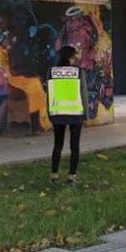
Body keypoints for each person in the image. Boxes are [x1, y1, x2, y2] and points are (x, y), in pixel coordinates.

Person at [45, 45, 89, 184]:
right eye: (74, 56)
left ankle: (54, 175)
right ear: (70, 57)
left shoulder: (51, 72)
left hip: (57, 113)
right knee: (74, 146)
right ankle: (72, 176)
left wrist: (50, 113)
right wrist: (86, 114)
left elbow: (49, 94)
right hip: (76, 113)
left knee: (57, 145)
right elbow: (83, 94)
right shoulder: (78, 72)